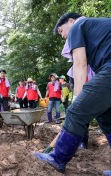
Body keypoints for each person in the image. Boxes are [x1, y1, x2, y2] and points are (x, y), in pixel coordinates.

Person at [34, 12, 111, 174]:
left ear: (71, 21)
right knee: (106, 118)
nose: (63, 36)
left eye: (62, 31)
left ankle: (57, 158)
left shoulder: (78, 26)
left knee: (76, 111)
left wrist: (77, 99)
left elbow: (80, 65)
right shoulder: (98, 30)